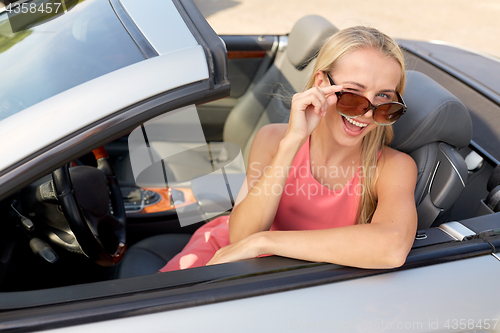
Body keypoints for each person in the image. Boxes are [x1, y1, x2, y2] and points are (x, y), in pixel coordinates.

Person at [160, 26, 417, 272]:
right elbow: (240, 237)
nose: (367, 112)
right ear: (321, 83)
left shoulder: (392, 167)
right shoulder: (272, 138)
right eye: (352, 94)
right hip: (233, 256)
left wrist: (265, 242)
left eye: (383, 99)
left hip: (282, 275)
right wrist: (292, 142)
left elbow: (392, 247)